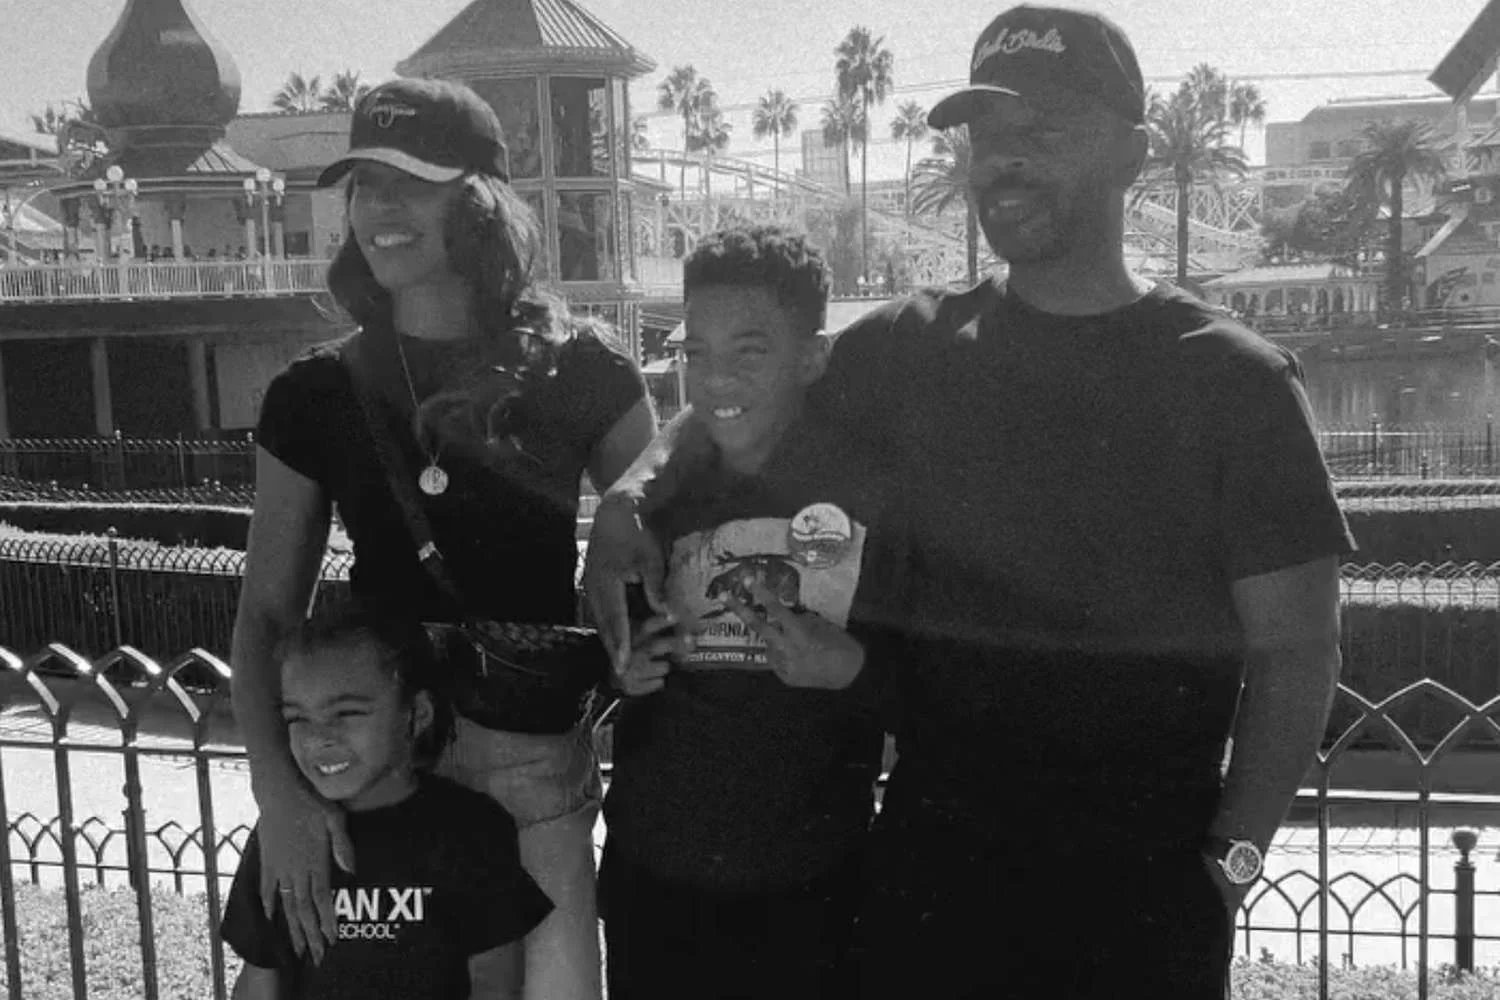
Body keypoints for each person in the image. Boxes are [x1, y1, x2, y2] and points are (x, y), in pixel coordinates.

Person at [584, 6, 1353, 998]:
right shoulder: (910, 346)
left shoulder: (1234, 382)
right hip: (928, 892)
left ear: (1134, 153)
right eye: (989, 137)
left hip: (1140, 903)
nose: (1006, 161)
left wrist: (1231, 865)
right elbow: (741, 394)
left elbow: (1298, 652)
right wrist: (632, 494)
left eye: (1045, 130)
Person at [230, 77, 654, 1000]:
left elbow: (684, 493)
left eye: (411, 183)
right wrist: (278, 794)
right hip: (374, 765)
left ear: (479, 202)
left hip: (526, 762)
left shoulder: (582, 369)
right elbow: (265, 613)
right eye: (366, 184)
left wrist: (632, 495)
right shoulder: (313, 392)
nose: (380, 208)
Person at [598, 227, 887, 999]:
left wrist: (855, 670)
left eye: (749, 352)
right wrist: (625, 667)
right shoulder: (656, 502)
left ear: (812, 358)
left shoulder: (872, 495)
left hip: (812, 888)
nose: (715, 377)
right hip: (654, 879)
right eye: (696, 353)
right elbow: (611, 660)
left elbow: (935, 678)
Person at [222, 609, 553, 999]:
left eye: (346, 713)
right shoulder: (284, 835)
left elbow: (495, 984)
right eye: (297, 718)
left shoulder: (471, 830)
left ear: (418, 713)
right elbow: (260, 978)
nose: (317, 738)